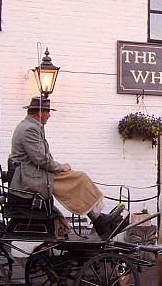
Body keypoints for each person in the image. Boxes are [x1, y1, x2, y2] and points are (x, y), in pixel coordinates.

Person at [9, 97, 128, 239]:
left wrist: (59, 167)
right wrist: (61, 167)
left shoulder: (30, 126)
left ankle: (98, 218)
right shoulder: (29, 129)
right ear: (40, 112)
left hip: (32, 173)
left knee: (78, 178)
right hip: (30, 177)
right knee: (79, 178)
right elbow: (40, 159)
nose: (49, 116)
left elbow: (40, 158)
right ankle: (98, 219)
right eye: (48, 112)